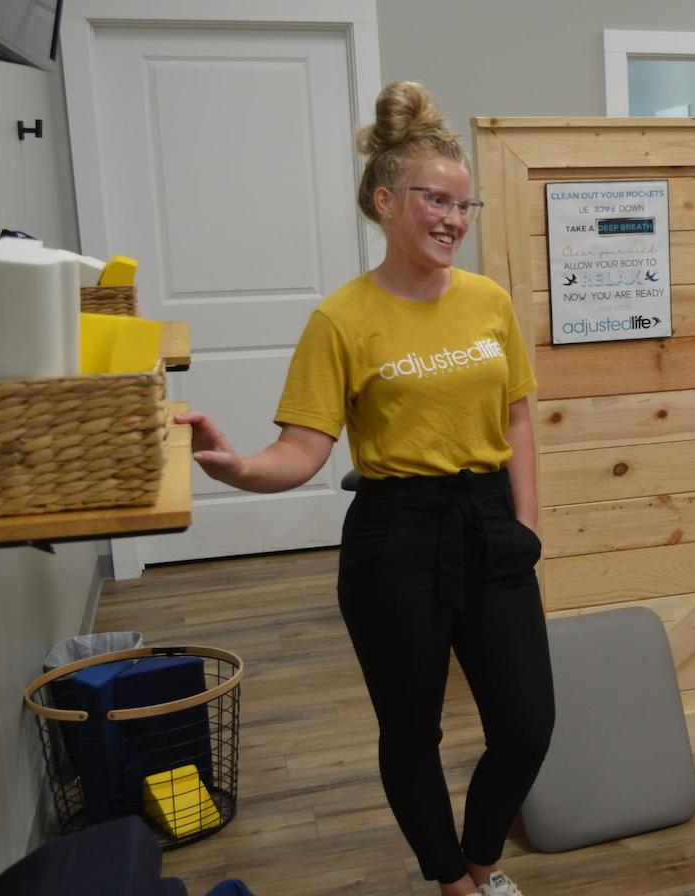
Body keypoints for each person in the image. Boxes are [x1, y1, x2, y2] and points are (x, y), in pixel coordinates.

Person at [176, 81, 553, 896]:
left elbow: (519, 420)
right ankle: (454, 884)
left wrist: (525, 525)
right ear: (385, 201)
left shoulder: (488, 303)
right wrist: (235, 467)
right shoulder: (341, 320)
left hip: (489, 525)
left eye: (465, 204)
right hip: (396, 538)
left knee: (527, 726)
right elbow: (302, 450)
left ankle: (484, 864)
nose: (454, 219)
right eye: (435, 200)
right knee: (411, 730)